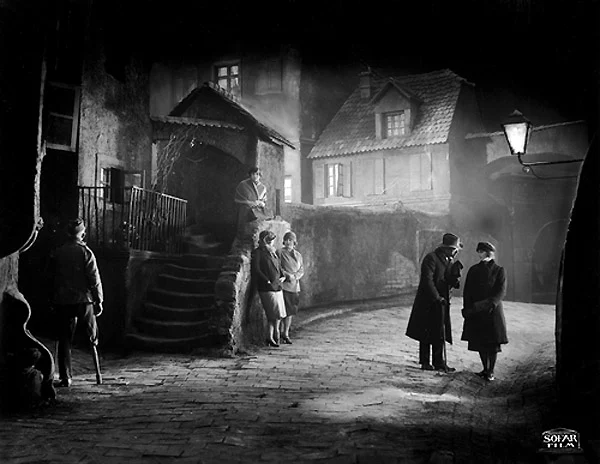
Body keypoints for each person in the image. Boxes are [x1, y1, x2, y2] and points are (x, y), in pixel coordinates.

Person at [49, 218, 104, 387]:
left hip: (63, 300)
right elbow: (94, 279)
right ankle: (98, 374)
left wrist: (53, 299)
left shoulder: (58, 252)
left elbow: (51, 278)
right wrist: (99, 300)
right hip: (83, 300)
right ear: (82, 233)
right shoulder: (85, 252)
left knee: (64, 338)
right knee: (92, 335)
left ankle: (65, 377)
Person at [406, 232, 463, 372]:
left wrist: (455, 277)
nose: (456, 252)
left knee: (439, 331)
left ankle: (439, 362)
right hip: (428, 301)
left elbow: (448, 281)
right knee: (425, 331)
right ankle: (425, 361)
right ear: (447, 248)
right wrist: (437, 297)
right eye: (455, 249)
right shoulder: (431, 258)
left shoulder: (449, 261)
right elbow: (427, 280)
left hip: (441, 301)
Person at [460, 241, 508, 381]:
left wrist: (488, 304)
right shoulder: (474, 270)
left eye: (482, 251)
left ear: (489, 253)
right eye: (479, 252)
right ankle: (485, 369)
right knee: (479, 341)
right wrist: (468, 308)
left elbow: (500, 292)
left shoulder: (499, 270)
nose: (479, 254)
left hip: (492, 312)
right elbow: (467, 291)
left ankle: (491, 371)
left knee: (492, 343)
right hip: (476, 311)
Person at [252, 230, 286, 347]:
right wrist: (266, 279)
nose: (272, 243)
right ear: (264, 240)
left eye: (272, 240)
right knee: (273, 313)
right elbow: (257, 269)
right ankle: (275, 334)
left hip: (277, 285)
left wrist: (283, 275)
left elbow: (278, 266)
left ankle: (271, 336)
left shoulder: (273, 252)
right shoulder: (258, 252)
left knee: (279, 313)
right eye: (270, 240)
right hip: (267, 287)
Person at [277, 231, 304, 344]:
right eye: (286, 240)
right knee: (281, 310)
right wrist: (287, 275)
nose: (288, 242)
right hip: (284, 285)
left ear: (294, 242)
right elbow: (278, 267)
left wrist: (295, 276)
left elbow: (301, 270)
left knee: (290, 311)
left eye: (290, 240)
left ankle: (286, 333)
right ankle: (277, 333)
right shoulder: (280, 252)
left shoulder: (298, 255)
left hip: (294, 286)